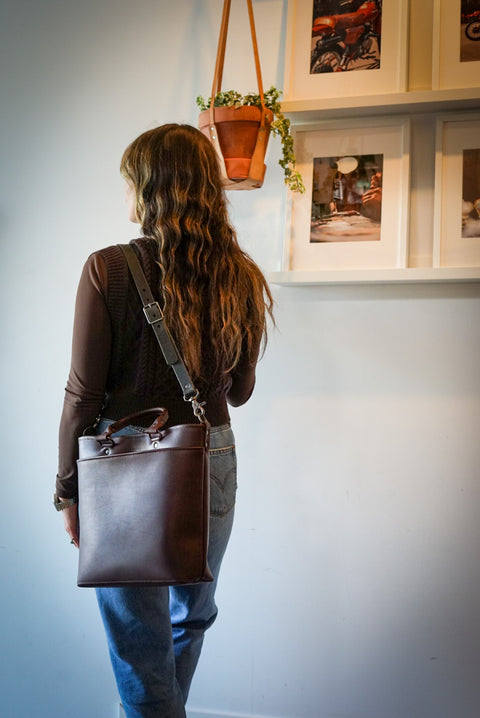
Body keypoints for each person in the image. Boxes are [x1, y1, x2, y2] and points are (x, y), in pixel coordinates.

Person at [54, 123, 274, 718]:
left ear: (148, 188)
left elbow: (82, 396)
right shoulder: (239, 275)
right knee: (191, 614)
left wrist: (66, 491)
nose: (124, 193)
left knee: (136, 635)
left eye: (129, 180)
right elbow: (243, 391)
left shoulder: (108, 268)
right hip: (212, 457)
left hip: (124, 468)